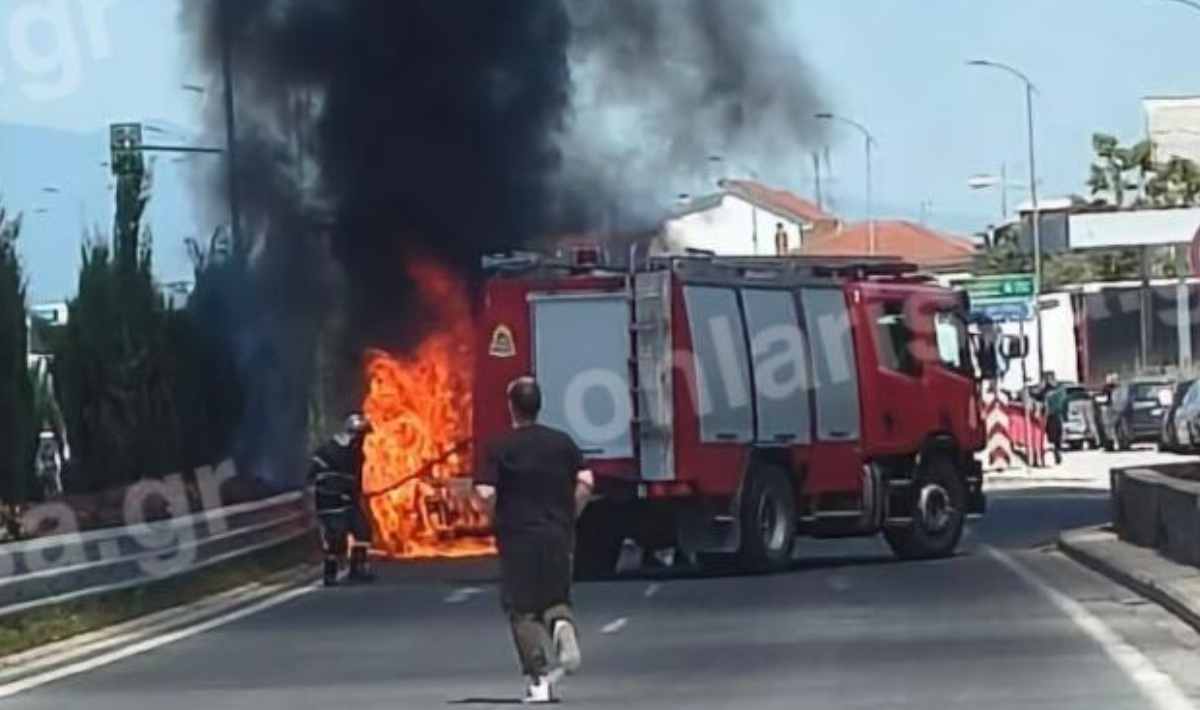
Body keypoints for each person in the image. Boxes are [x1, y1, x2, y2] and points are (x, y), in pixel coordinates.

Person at [474, 377, 594, 704]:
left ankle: (539, 681)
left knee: (522, 610)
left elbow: (485, 491)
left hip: (517, 538)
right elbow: (586, 480)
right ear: (539, 404)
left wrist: (490, 516)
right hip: (558, 533)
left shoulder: (499, 446)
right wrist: (571, 514)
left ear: (511, 405)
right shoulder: (562, 443)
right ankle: (561, 626)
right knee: (556, 598)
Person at [310, 413, 376, 586]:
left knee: (363, 532)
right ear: (352, 433)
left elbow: (356, 479)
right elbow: (315, 474)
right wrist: (335, 489)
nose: (363, 439)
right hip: (331, 504)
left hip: (350, 503)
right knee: (337, 539)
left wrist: (357, 494)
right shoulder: (330, 451)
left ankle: (357, 568)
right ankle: (329, 574)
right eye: (361, 435)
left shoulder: (357, 454)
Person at [1043, 373, 1069, 465]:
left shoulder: (1057, 391)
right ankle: (1056, 453)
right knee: (1054, 437)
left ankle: (1057, 452)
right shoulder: (1058, 391)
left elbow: (1064, 404)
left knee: (1056, 436)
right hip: (1051, 416)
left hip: (1054, 416)